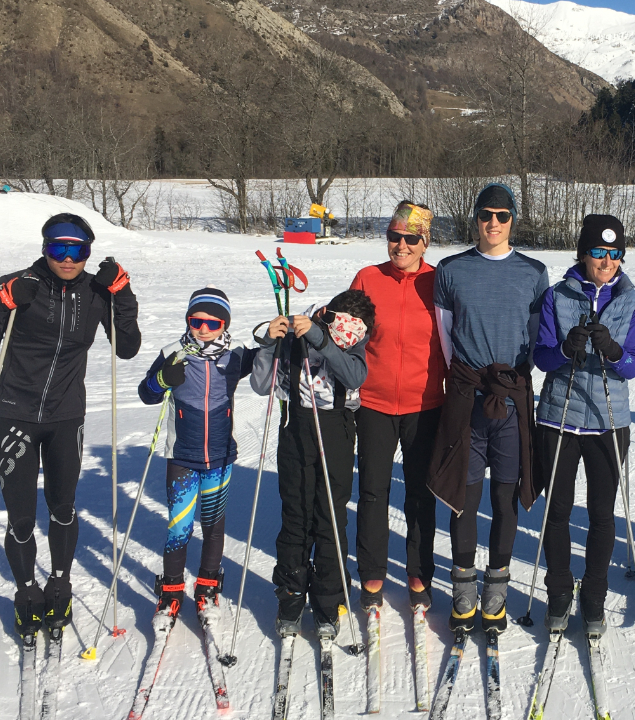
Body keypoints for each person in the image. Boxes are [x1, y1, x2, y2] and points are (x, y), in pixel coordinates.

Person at [0, 213, 141, 638]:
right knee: (21, 515)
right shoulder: (17, 285)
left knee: (63, 507)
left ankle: (59, 584)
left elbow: (128, 349)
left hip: (66, 416)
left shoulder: (97, 292)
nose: (67, 258)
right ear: (44, 248)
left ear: (88, 252)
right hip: (17, 414)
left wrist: (124, 297)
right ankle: (26, 592)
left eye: (77, 250)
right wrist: (0, 305)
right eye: (57, 248)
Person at [426, 183, 550, 635]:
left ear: (512, 219)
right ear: (475, 218)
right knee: (465, 497)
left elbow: (536, 339)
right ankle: (463, 584)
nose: (493, 223)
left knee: (505, 497)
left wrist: (510, 378)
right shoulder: (451, 270)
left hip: (511, 401)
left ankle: (496, 584)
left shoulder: (533, 273)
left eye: (501, 215)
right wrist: (469, 378)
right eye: (485, 215)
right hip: (468, 399)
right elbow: (445, 335)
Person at [532, 214, 635, 635]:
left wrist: (614, 351)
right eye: (599, 252)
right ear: (582, 253)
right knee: (557, 512)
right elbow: (541, 358)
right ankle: (559, 592)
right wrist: (565, 348)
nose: (607, 261)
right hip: (559, 417)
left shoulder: (631, 301)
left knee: (601, 514)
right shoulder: (557, 296)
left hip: (608, 421)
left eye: (615, 254)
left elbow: (633, 365)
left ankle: (594, 597)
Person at [253, 290, 375, 639]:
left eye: (355, 327)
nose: (346, 331)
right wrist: (268, 343)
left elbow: (353, 377)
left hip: (335, 428)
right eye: (337, 321)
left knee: (330, 518)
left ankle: (328, 601)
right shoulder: (300, 333)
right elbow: (261, 385)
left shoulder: (351, 342)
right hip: (296, 428)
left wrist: (322, 340)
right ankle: (290, 597)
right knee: (296, 516)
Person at [349, 201, 445, 615]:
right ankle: (372, 572)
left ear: (425, 242)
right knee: (373, 490)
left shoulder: (441, 281)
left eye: (410, 239)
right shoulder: (368, 278)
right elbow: (345, 329)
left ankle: (420, 572)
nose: (400, 246)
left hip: (426, 403)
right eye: (393, 237)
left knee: (422, 493)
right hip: (374, 402)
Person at [137, 287, 256, 618]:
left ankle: (207, 586)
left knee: (213, 526)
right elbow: (146, 393)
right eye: (196, 321)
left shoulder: (236, 357)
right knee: (179, 526)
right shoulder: (173, 353)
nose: (203, 329)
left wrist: (279, 335)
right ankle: (171, 589)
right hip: (183, 460)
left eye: (213, 323)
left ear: (224, 324)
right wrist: (162, 379)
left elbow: (268, 357)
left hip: (219, 459)